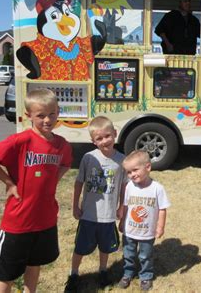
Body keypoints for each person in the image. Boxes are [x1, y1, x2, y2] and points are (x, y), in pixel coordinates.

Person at [0, 88, 72, 293]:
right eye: (41, 115)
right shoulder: (21, 141)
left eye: (52, 114)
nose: (47, 120)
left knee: (34, 263)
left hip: (44, 219)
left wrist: (54, 178)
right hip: (18, 222)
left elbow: (66, 163)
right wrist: (9, 183)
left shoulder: (61, 144)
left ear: (58, 111)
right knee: (5, 276)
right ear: (29, 116)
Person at [64, 116, 127, 291]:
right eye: (99, 138)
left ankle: (102, 271)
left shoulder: (122, 160)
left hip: (108, 215)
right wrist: (75, 205)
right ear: (93, 141)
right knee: (80, 247)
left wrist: (122, 207)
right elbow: (79, 182)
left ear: (115, 134)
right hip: (89, 214)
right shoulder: (88, 158)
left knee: (105, 247)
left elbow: (123, 186)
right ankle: (74, 274)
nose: (104, 141)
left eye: (107, 136)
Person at [117, 150, 171, 291]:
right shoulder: (129, 186)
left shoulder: (157, 189)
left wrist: (160, 226)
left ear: (147, 167)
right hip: (130, 231)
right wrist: (122, 221)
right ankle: (127, 273)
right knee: (128, 254)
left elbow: (162, 209)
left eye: (135, 170)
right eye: (129, 172)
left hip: (147, 232)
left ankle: (146, 276)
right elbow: (126, 205)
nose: (132, 175)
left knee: (145, 256)